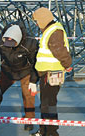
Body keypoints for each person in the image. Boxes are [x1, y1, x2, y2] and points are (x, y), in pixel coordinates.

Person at [0, 23, 39, 134]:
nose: (9, 43)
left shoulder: (30, 43)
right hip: (7, 71)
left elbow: (36, 62)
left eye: (12, 42)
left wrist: (33, 81)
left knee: (28, 96)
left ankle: (29, 120)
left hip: (25, 71)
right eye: (7, 41)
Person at [30, 8, 73, 136]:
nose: (36, 24)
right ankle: (44, 130)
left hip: (51, 72)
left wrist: (67, 64)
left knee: (49, 103)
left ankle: (51, 131)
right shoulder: (50, 30)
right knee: (46, 103)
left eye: (37, 21)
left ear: (43, 19)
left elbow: (58, 49)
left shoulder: (54, 31)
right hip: (46, 72)